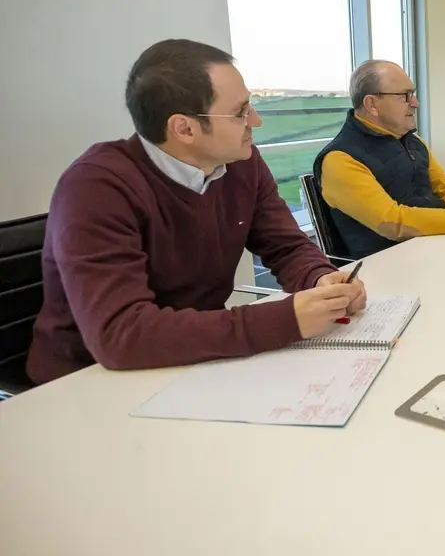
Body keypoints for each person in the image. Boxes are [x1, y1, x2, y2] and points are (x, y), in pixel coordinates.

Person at [27, 40, 366, 385]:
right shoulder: (96, 186)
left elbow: (286, 246)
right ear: (184, 128)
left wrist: (319, 278)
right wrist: (285, 320)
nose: (257, 121)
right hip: (86, 384)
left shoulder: (240, 163)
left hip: (194, 364)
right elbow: (121, 333)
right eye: (240, 112)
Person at [315, 60, 445, 259]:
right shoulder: (339, 159)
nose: (415, 103)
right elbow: (393, 222)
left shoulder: (412, 142)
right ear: (372, 104)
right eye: (405, 96)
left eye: (412, 94)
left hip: (436, 248)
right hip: (392, 267)